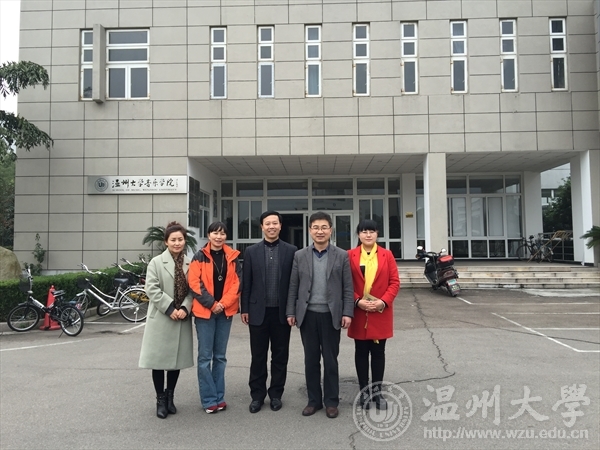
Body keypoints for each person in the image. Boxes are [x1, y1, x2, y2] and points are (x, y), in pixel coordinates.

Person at [286, 211, 354, 419]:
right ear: (310, 230)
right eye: (315, 227)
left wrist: (347, 312)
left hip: (331, 315)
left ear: (330, 230)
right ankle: (313, 400)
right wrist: (291, 311)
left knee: (331, 361)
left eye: (324, 227)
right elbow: (293, 286)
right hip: (308, 315)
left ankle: (331, 401)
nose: (320, 231)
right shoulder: (300, 255)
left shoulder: (341, 255)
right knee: (311, 360)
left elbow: (348, 287)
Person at [241, 211, 297, 413]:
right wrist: (245, 308)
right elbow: (246, 282)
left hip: (281, 313)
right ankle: (257, 396)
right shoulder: (251, 251)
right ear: (262, 227)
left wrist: (292, 310)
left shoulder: (292, 251)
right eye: (268, 223)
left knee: (280, 356)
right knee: (258, 357)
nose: (272, 226)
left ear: (280, 226)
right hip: (258, 312)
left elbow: (294, 283)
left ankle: (276, 395)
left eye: (275, 223)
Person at [139, 221, 194, 419]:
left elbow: (193, 290)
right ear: (166, 242)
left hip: (181, 318)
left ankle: (170, 396)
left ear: (184, 241)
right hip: (162, 318)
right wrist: (170, 308)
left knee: (175, 361)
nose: (177, 243)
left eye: (180, 239)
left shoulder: (190, 263)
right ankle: (160, 399)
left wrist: (185, 308)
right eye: (173, 240)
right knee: (158, 361)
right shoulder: (156, 262)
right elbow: (151, 288)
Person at [188, 221, 241, 414]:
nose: (219, 237)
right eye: (215, 233)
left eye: (222, 233)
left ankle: (219, 397)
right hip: (205, 313)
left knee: (220, 357)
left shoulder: (232, 257)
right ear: (209, 235)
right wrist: (212, 304)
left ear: (226, 236)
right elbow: (194, 284)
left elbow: (237, 284)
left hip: (224, 313)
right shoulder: (199, 256)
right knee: (205, 358)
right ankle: (209, 399)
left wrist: (223, 304)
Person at [347, 219, 400, 410]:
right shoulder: (350, 255)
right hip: (359, 311)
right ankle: (364, 391)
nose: (368, 235)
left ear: (377, 234)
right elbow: (346, 283)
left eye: (371, 231)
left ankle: (377, 392)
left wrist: (383, 301)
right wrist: (357, 301)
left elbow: (394, 282)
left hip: (380, 311)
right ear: (358, 234)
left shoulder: (387, 255)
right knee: (361, 352)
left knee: (378, 353)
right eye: (364, 231)